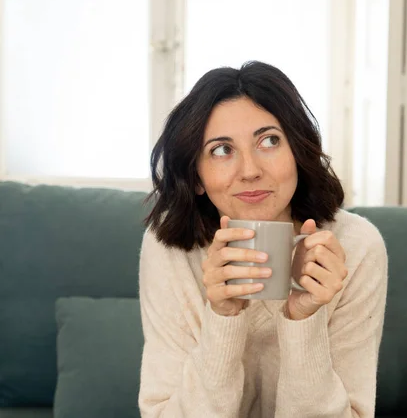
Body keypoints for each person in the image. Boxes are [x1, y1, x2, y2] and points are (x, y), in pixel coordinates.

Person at [138, 61, 388, 417]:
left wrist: (303, 319)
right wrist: (222, 317)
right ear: (196, 177)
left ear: (298, 154)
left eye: (269, 141)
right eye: (222, 150)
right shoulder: (170, 250)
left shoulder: (356, 246)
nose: (251, 170)